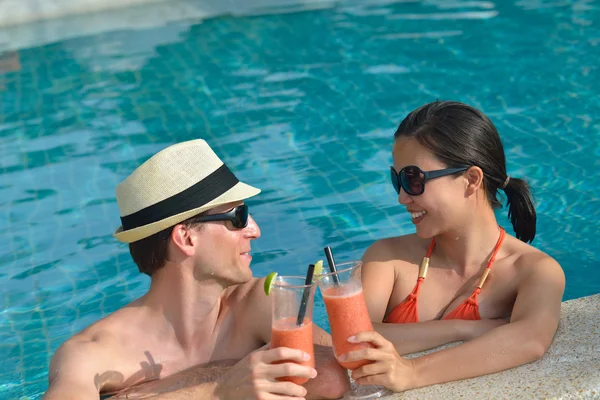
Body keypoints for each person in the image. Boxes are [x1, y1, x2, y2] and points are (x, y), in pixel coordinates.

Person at [43, 139, 349, 400]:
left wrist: (164, 389)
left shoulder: (256, 301)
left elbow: (334, 376)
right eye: (238, 217)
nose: (254, 230)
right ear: (186, 238)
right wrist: (217, 389)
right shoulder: (90, 354)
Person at [338, 101, 565, 392]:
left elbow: (529, 339)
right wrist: (465, 328)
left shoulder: (534, 271)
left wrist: (411, 372)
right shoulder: (387, 259)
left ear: (471, 180)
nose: (402, 198)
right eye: (398, 180)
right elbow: (354, 339)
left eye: (413, 179)